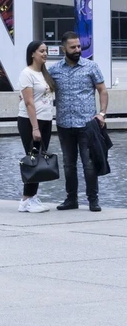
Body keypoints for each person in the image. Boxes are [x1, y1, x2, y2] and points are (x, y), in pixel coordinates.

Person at [49, 31, 108, 212]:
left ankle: (93, 200)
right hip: (64, 124)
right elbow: (41, 89)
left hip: (87, 124)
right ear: (63, 48)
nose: (77, 50)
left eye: (79, 46)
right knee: (68, 164)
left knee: (89, 164)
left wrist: (102, 114)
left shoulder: (91, 67)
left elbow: (102, 91)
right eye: (72, 47)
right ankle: (71, 199)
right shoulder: (54, 70)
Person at [16, 41, 55, 214]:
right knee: (33, 159)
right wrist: (35, 128)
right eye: (41, 51)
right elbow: (29, 102)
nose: (45, 54)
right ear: (32, 53)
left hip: (46, 120)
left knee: (39, 159)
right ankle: (26, 200)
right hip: (31, 122)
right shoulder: (27, 73)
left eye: (46, 51)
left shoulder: (44, 74)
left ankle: (31, 198)